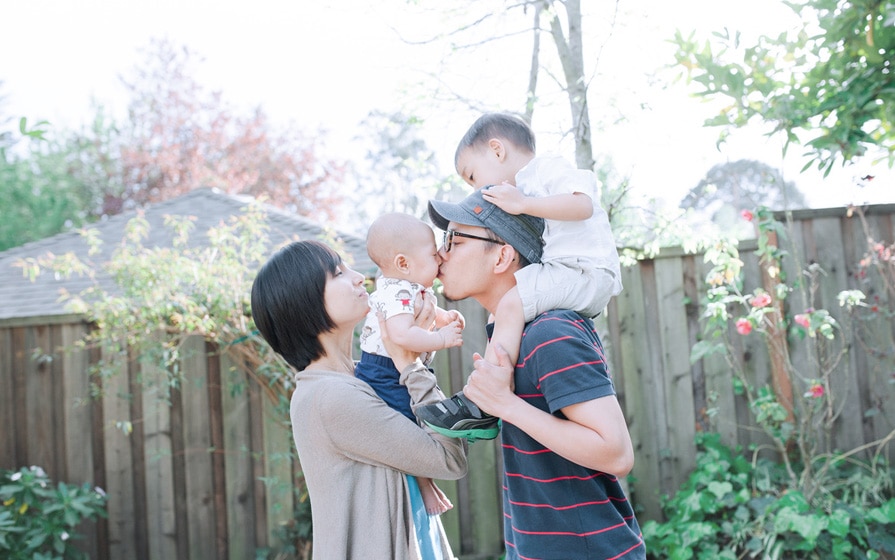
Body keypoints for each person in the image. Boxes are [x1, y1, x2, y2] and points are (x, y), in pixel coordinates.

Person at [421, 190, 645, 559]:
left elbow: (616, 453)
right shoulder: (516, 335)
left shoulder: (550, 332)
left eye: (454, 240)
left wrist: (504, 405)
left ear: (503, 256)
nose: (440, 253)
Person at [250, 240, 467, 560]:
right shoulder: (331, 397)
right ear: (303, 304)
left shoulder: (357, 379)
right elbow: (449, 458)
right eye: (337, 272)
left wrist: (412, 357)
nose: (357, 277)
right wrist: (411, 366)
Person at [417, 112, 623, 440]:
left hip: (585, 270)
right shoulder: (531, 332)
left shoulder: (547, 169)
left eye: (473, 176)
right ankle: (490, 388)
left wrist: (524, 203)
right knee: (507, 310)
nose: (477, 188)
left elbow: (583, 206)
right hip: (569, 269)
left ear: (497, 150)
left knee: (511, 304)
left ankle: (482, 402)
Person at [357, 212, 465, 514]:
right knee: (411, 429)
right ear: (403, 263)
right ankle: (424, 484)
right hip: (383, 373)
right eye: (433, 255)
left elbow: (426, 312)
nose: (440, 260)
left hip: (397, 368)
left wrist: (447, 318)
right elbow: (402, 335)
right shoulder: (395, 292)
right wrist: (441, 339)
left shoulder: (412, 289)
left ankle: (426, 483)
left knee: (419, 422)